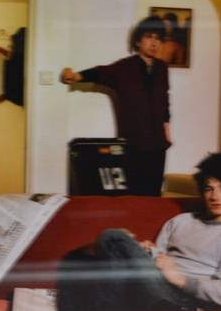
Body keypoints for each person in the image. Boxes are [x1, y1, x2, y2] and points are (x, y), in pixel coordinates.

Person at [57, 152, 221, 311]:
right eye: (208, 189)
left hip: (183, 298)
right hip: (154, 285)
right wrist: (141, 250)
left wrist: (180, 279)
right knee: (75, 257)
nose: (214, 196)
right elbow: (158, 258)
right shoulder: (180, 221)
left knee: (113, 236)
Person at [60, 17, 171, 195]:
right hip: (133, 143)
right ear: (138, 41)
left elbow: (164, 101)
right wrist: (75, 76)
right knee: (133, 193)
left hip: (158, 144)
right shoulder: (124, 67)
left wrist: (167, 130)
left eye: (158, 39)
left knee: (154, 194)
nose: (154, 43)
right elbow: (100, 72)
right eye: (149, 37)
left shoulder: (162, 69)